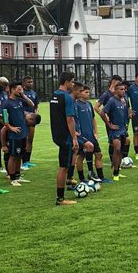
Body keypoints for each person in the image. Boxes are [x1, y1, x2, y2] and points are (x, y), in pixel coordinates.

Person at [50, 71, 78, 205]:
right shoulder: (67, 98)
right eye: (72, 81)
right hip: (66, 136)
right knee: (63, 167)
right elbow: (70, 119)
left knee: (63, 166)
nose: (73, 84)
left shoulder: (54, 95)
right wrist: (74, 138)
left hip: (57, 134)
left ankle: (65, 189)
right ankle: (60, 199)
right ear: (66, 82)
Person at [1, 81, 34, 186]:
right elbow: (5, 119)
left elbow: (32, 104)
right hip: (14, 135)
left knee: (20, 155)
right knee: (13, 156)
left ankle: (18, 176)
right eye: (19, 89)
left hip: (23, 133)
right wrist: (11, 128)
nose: (21, 91)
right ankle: (12, 178)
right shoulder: (6, 103)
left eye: (21, 89)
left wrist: (23, 95)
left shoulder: (20, 100)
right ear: (13, 89)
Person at [75, 85, 110, 184]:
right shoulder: (76, 105)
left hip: (91, 135)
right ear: (80, 92)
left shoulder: (89, 104)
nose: (88, 94)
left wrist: (95, 132)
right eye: (86, 92)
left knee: (99, 155)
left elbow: (93, 119)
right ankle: (83, 178)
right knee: (81, 157)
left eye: (89, 92)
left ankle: (100, 176)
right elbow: (73, 120)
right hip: (82, 137)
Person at [100, 82, 131, 181]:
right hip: (115, 129)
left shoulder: (124, 99)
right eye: (121, 89)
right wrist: (109, 125)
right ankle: (115, 171)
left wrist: (129, 115)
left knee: (121, 149)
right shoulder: (112, 101)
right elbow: (102, 112)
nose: (124, 91)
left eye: (124, 89)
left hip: (123, 128)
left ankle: (117, 171)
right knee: (117, 148)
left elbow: (126, 111)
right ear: (116, 90)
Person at [94, 75, 123, 164]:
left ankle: (119, 161)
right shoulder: (106, 94)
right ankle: (113, 162)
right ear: (113, 82)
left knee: (121, 142)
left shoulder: (118, 93)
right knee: (112, 142)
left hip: (120, 121)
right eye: (118, 82)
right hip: (111, 122)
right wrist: (106, 117)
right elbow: (96, 107)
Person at [67, 81, 84, 187]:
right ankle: (69, 179)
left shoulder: (74, 101)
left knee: (75, 152)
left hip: (76, 132)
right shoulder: (70, 101)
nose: (81, 93)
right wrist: (73, 134)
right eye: (80, 91)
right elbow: (69, 119)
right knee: (71, 154)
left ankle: (70, 178)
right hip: (71, 134)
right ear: (74, 90)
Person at [21, 76, 39, 170]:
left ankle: (28, 161)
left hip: (32, 120)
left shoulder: (34, 93)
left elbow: (36, 105)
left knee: (30, 139)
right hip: (23, 119)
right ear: (24, 83)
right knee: (24, 139)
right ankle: (23, 161)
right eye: (28, 82)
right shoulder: (20, 93)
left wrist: (36, 113)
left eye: (31, 81)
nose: (30, 83)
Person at [0, 76, 9, 174]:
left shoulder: (5, 94)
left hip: (5, 123)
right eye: (5, 85)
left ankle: (8, 166)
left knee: (6, 144)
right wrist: (7, 124)